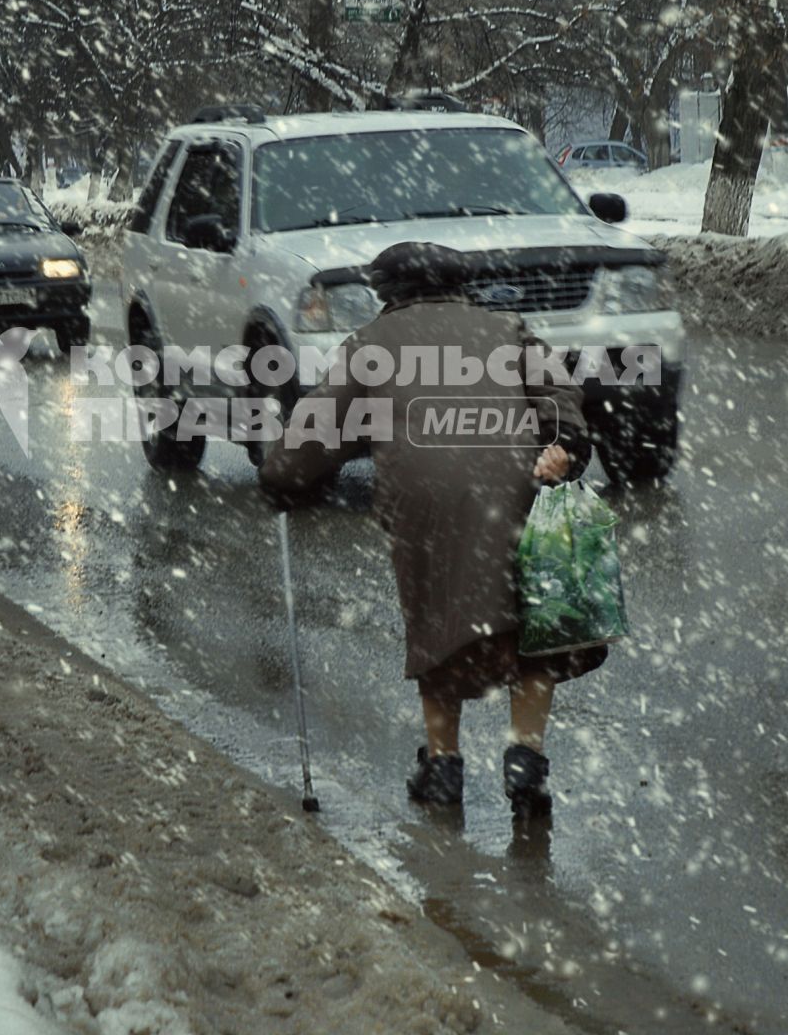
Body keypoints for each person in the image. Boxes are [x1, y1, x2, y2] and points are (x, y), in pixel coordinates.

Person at [258, 242, 605, 815]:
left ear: (386, 291)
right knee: (532, 623)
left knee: (437, 621)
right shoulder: (505, 328)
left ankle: (443, 767)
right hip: (511, 482)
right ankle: (525, 761)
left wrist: (281, 478)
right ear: (459, 284)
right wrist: (565, 444)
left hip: (420, 496)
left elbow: (317, 431)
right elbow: (559, 395)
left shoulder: (369, 345)